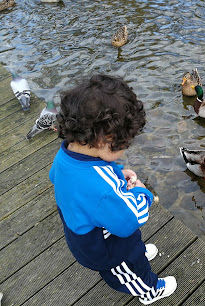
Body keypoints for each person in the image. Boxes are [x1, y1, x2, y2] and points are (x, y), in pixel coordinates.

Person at [49, 74, 177, 305]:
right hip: (107, 249)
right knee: (130, 270)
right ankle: (149, 291)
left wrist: (117, 173)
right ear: (106, 140)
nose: (125, 148)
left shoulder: (66, 154)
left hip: (82, 231)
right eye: (124, 143)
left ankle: (137, 255)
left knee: (134, 251)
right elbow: (131, 219)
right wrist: (141, 192)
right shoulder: (103, 191)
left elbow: (61, 177)